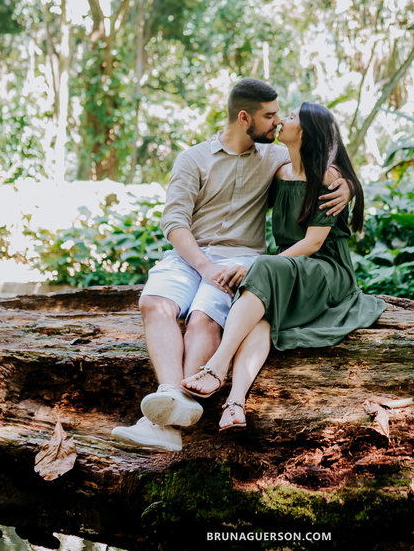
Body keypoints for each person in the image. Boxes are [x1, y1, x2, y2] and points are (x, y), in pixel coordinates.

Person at [111, 80, 351, 451]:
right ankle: (174, 400)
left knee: (203, 317)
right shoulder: (193, 159)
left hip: (242, 257)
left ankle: (163, 422)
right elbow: (174, 223)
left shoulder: (276, 158)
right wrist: (203, 265)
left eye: (280, 116)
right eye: (270, 116)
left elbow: (320, 161)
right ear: (244, 118)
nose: (276, 122)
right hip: (190, 255)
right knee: (153, 303)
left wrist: (348, 185)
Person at [179, 101, 386, 431]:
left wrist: (349, 184)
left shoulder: (328, 177)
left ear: (303, 133)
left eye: (289, 118)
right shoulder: (280, 172)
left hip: (324, 270)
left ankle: (216, 366)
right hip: (287, 270)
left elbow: (313, 244)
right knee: (261, 320)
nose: (280, 122)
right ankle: (235, 403)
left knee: (262, 269)